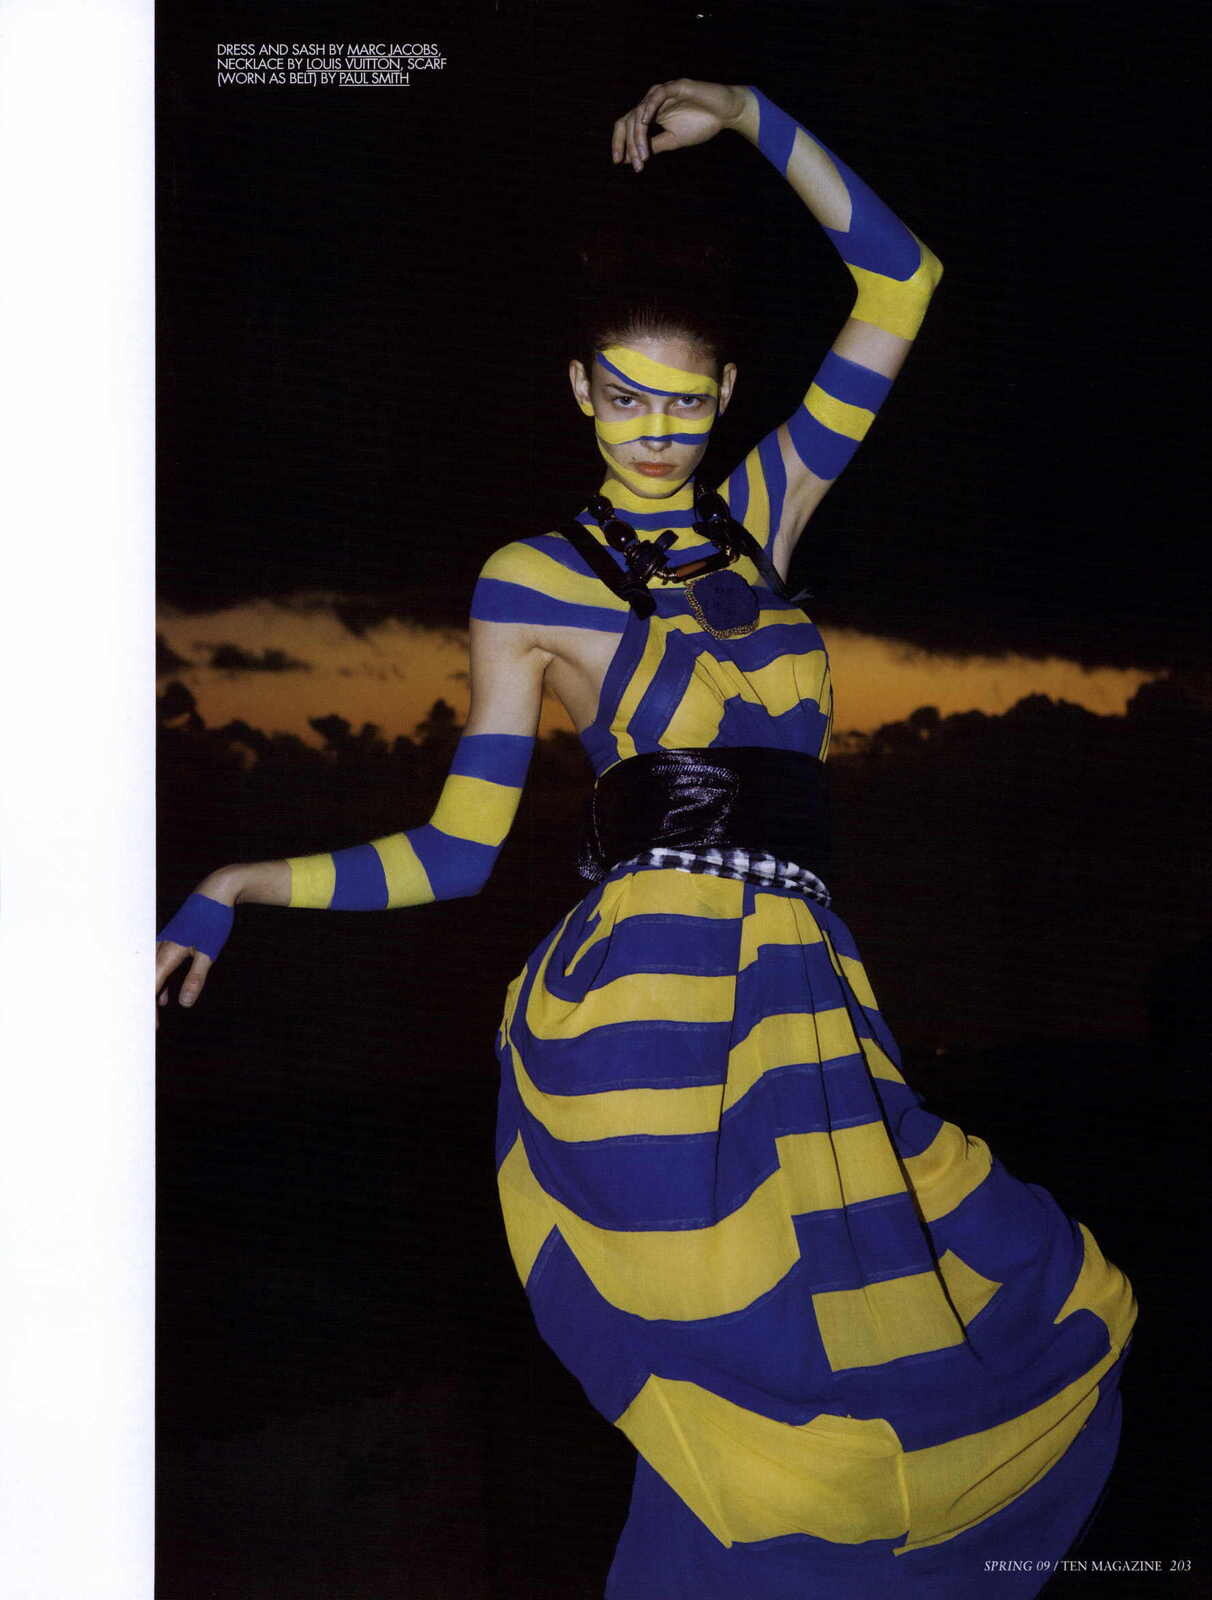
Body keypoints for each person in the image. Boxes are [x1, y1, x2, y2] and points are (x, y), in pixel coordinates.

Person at [157, 80, 1137, 1599]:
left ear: (727, 391)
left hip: (806, 987)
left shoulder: (767, 512)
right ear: (580, 390)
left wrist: (748, 113)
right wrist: (239, 884)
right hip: (650, 1011)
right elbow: (461, 848)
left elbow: (904, 279)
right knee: (751, 1384)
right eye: (626, 399)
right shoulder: (530, 581)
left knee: (967, 1307)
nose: (659, 431)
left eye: (686, 401)